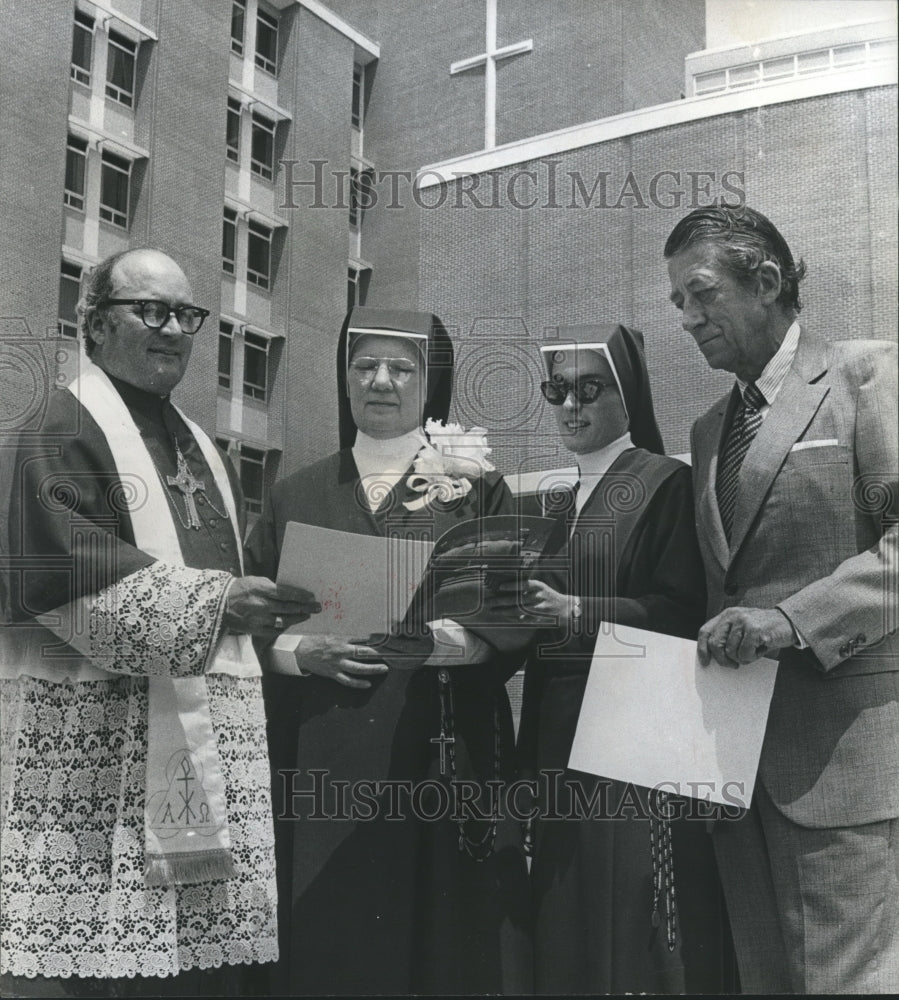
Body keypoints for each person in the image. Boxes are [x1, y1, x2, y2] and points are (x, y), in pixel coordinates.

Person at [0, 249, 318, 997]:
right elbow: (57, 573)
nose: (173, 329)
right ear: (93, 322)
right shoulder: (57, 427)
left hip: (191, 758)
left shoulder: (197, 445)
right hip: (96, 765)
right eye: (151, 310)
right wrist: (217, 603)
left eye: (185, 314)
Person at [245, 306, 532, 996]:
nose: (381, 380)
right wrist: (301, 651)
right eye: (363, 364)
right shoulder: (295, 495)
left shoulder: (474, 488)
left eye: (401, 368)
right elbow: (246, 626)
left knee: (440, 948)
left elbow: (515, 618)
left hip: (436, 758)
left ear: (430, 383)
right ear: (343, 378)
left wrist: (441, 643)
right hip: (321, 761)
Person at [665, 204, 899, 994]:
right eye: (677, 305)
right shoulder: (705, 431)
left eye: (700, 294)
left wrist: (788, 621)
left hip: (844, 765)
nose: (688, 318)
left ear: (764, 281)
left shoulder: (867, 376)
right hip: (735, 770)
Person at [504, 323, 732, 995]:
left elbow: (680, 611)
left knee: (626, 919)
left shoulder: (664, 482)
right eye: (556, 390)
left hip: (629, 737)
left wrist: (578, 612)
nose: (569, 406)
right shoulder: (557, 500)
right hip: (554, 731)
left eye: (588, 389)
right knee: (563, 917)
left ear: (626, 395)